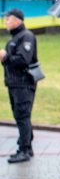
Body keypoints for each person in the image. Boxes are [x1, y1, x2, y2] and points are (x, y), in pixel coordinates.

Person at [1, 8, 38, 164]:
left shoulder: (26, 36)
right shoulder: (14, 38)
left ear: (18, 20)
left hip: (23, 84)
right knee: (21, 116)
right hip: (14, 84)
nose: (5, 22)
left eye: (8, 19)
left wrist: (5, 57)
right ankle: (27, 146)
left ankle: (24, 150)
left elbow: (23, 60)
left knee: (22, 116)